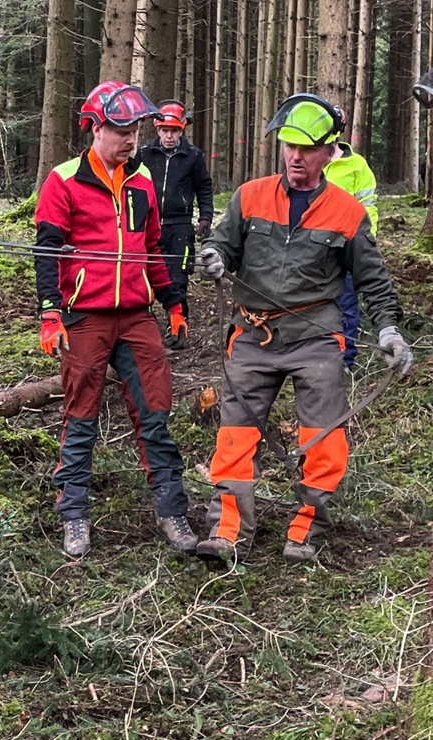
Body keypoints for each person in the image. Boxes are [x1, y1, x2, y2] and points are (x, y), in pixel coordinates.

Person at [193, 94, 413, 565]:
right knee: (234, 437)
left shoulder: (347, 211)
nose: (295, 157)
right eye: (289, 145)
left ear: (329, 152)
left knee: (324, 440)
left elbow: (373, 279)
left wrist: (389, 330)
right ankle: (228, 531)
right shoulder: (250, 195)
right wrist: (214, 257)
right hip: (252, 334)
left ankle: (306, 529)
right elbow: (222, 244)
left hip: (316, 338)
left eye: (307, 149)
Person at [35, 80, 196, 559]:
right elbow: (46, 250)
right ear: (95, 128)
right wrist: (50, 312)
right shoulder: (63, 180)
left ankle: (172, 511)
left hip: (136, 316)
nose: (130, 139)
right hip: (85, 316)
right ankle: (74, 515)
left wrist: (173, 302)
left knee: (155, 413)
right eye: (121, 130)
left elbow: (153, 249)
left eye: (134, 130)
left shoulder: (141, 181)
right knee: (81, 417)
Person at [136, 99, 214, 347]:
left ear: (182, 130)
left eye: (174, 131)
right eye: (165, 130)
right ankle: (143, 328)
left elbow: (204, 187)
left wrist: (205, 217)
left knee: (178, 276)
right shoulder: (143, 154)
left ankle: (179, 325)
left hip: (180, 225)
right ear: (157, 129)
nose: (169, 136)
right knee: (143, 276)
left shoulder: (193, 156)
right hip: (147, 224)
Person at [324, 131, 380, 371]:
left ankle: (345, 359)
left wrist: (365, 242)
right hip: (312, 247)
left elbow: (368, 206)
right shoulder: (309, 160)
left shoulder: (357, 165)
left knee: (346, 303)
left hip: (345, 245)